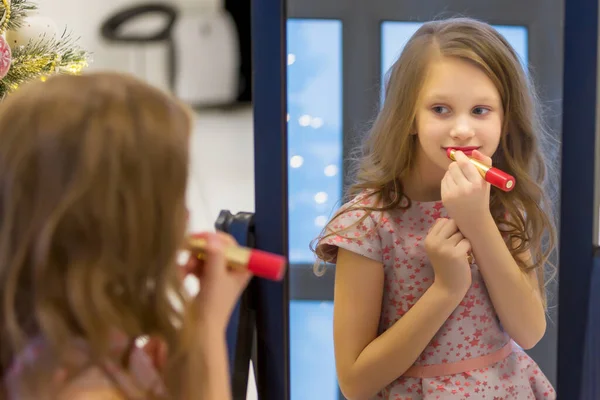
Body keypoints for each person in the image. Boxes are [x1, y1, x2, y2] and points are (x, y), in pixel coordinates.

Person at [312, 17, 558, 400]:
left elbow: (528, 331)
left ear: (506, 119)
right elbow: (355, 383)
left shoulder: (503, 207)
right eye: (441, 109)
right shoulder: (367, 225)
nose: (462, 130)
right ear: (409, 116)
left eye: (481, 110)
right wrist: (445, 289)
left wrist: (478, 223)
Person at [0, 72, 251, 399]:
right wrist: (205, 336)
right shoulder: (89, 391)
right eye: (174, 198)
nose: (186, 217)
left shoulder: (58, 345)